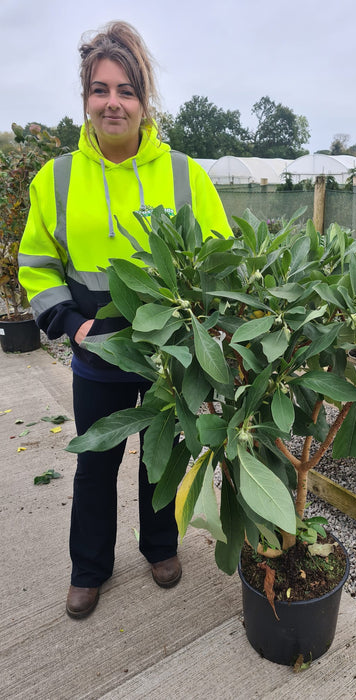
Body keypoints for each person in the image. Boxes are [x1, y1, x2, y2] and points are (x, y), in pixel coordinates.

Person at [18, 21, 232, 619]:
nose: (113, 102)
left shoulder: (186, 174)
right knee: (97, 460)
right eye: (100, 89)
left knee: (161, 453)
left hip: (170, 355)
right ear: (85, 100)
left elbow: (221, 253)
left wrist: (208, 327)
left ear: (145, 101)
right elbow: (36, 262)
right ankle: (89, 568)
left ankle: (160, 547)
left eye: (127, 90)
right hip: (97, 352)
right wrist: (69, 324)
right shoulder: (55, 179)